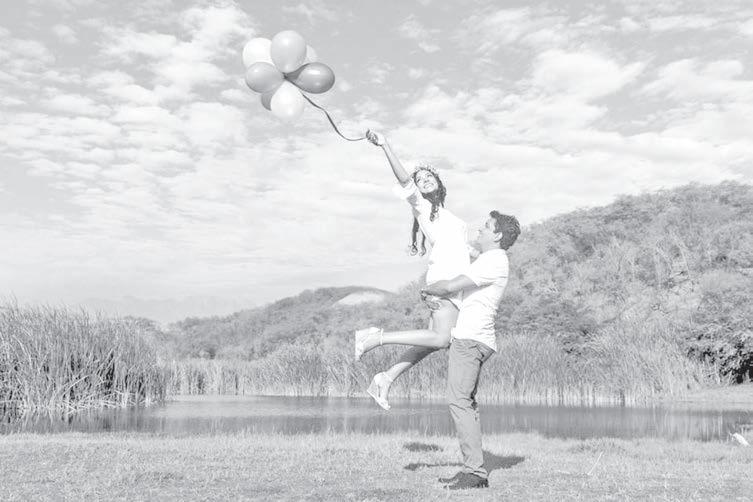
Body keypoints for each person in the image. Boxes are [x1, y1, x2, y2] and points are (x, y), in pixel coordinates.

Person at [354, 130, 472, 410]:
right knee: (441, 339)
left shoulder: (447, 216)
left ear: (439, 182)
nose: (425, 179)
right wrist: (385, 145)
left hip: (456, 281)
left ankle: (385, 379)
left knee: (431, 343)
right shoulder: (422, 206)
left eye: (429, 176)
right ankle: (375, 338)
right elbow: (405, 181)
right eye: (420, 180)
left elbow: (464, 250)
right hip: (445, 279)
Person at [424, 210, 520, 490]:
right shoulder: (489, 259)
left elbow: (452, 285)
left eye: (486, 227)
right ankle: (472, 468)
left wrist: (427, 289)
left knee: (459, 402)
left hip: (470, 340)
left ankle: (475, 473)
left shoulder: (494, 260)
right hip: (474, 339)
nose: (480, 230)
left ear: (498, 235)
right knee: (466, 402)